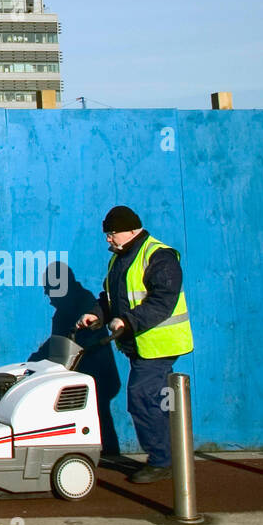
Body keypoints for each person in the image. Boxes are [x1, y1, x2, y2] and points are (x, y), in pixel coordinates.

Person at [78, 206, 192, 484]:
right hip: (140, 344)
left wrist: (127, 322)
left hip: (159, 344)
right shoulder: (120, 258)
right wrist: (98, 314)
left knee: (141, 397)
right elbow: (111, 297)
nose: (108, 239)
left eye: (111, 233)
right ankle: (171, 455)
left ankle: (163, 462)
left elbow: (162, 300)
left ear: (131, 230)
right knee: (154, 401)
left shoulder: (159, 256)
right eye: (107, 234)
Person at [32, 265, 128, 469]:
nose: (46, 292)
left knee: (97, 412)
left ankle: (108, 456)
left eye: (49, 287)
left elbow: (76, 342)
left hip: (94, 375)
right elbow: (59, 343)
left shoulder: (82, 303)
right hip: (82, 374)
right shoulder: (65, 308)